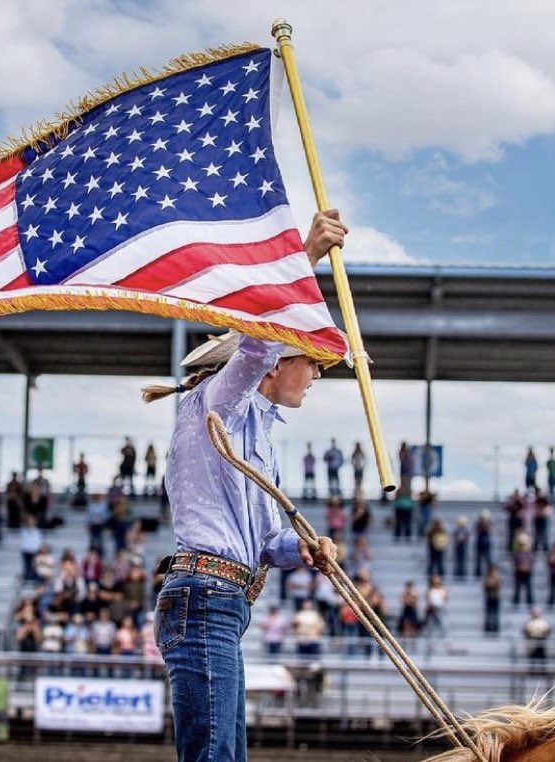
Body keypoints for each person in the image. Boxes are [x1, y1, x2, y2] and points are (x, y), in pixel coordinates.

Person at [145, 210, 343, 762]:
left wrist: (303, 548)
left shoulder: (252, 429)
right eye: (311, 361)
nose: (317, 374)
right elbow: (256, 343)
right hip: (207, 597)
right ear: (276, 364)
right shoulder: (218, 402)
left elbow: (266, 542)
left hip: (219, 599)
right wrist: (305, 258)